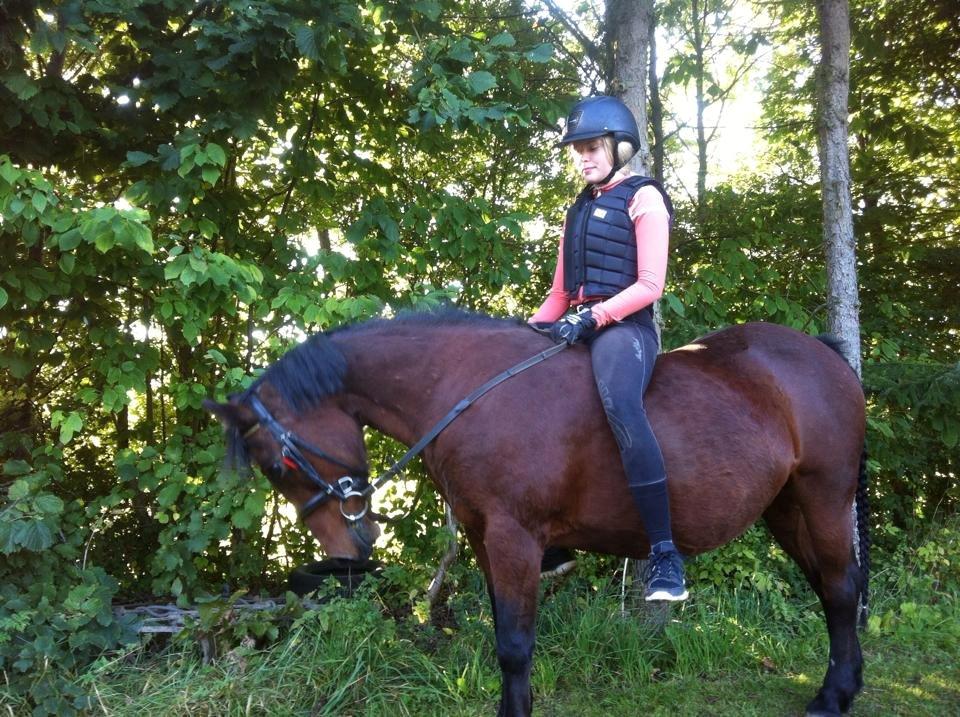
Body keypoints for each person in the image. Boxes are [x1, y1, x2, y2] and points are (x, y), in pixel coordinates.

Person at [530, 95, 687, 602]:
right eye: (578, 150)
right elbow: (558, 295)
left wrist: (592, 317)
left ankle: (665, 554)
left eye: (592, 147)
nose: (583, 157)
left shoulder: (644, 198)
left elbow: (650, 284)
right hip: (577, 321)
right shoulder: (576, 209)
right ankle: (553, 540)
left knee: (619, 403)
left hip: (625, 329)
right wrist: (522, 335)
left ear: (620, 147)